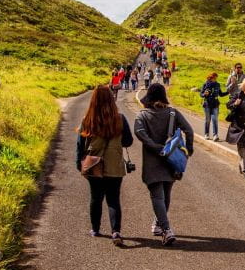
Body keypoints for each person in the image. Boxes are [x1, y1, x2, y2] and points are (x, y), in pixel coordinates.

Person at [134, 83, 194, 245]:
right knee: (166, 195)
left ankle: (166, 229)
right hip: (172, 161)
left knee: (157, 196)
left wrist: (155, 147)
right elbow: (189, 131)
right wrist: (188, 150)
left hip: (152, 161)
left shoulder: (142, 116)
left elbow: (140, 134)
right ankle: (158, 225)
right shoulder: (173, 113)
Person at [75, 85, 134, 246]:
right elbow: (128, 141)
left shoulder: (87, 120)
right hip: (114, 164)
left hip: (93, 165)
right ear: (111, 99)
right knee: (113, 199)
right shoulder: (120, 118)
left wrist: (79, 164)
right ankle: (116, 231)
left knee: (96, 198)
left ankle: (95, 229)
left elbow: (80, 146)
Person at [200, 71, 227, 141]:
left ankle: (215, 135)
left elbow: (221, 94)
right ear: (210, 77)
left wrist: (228, 92)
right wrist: (204, 94)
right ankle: (206, 134)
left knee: (215, 120)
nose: (215, 79)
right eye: (213, 78)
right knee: (208, 120)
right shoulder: (205, 84)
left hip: (215, 104)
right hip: (207, 104)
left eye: (215, 78)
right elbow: (201, 94)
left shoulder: (217, 85)